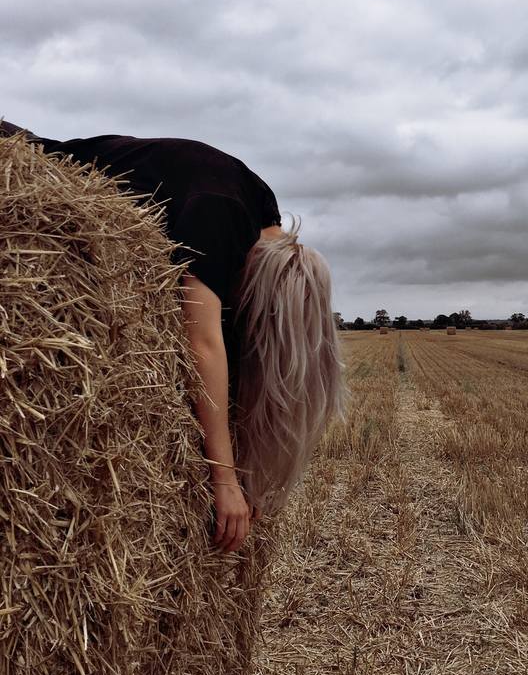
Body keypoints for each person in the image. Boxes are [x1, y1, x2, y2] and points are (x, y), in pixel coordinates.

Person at [0, 118, 348, 555]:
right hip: (30, 157)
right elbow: (204, 343)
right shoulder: (218, 219)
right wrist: (224, 479)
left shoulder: (261, 205)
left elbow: (238, 343)